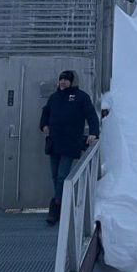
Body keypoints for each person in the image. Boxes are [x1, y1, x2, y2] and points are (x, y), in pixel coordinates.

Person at [39, 69, 100, 225]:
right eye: (61, 79)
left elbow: (91, 115)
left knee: (62, 176)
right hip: (54, 142)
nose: (63, 82)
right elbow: (45, 112)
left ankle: (57, 206)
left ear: (73, 81)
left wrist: (94, 132)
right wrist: (43, 125)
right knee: (54, 175)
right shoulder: (54, 97)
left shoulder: (81, 97)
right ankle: (61, 203)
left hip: (70, 142)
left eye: (66, 79)